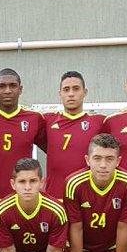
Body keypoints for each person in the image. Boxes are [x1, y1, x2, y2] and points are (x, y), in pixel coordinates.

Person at [0, 68, 47, 198]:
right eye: (2, 86)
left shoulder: (34, 118)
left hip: (23, 198)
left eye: (13, 86)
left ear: (20, 89)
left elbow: (54, 152)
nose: (7, 91)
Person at [42, 70, 106, 198]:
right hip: (55, 198)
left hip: (86, 200)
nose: (71, 94)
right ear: (60, 94)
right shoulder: (46, 121)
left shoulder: (100, 122)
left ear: (85, 92)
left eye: (76, 89)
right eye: (66, 89)